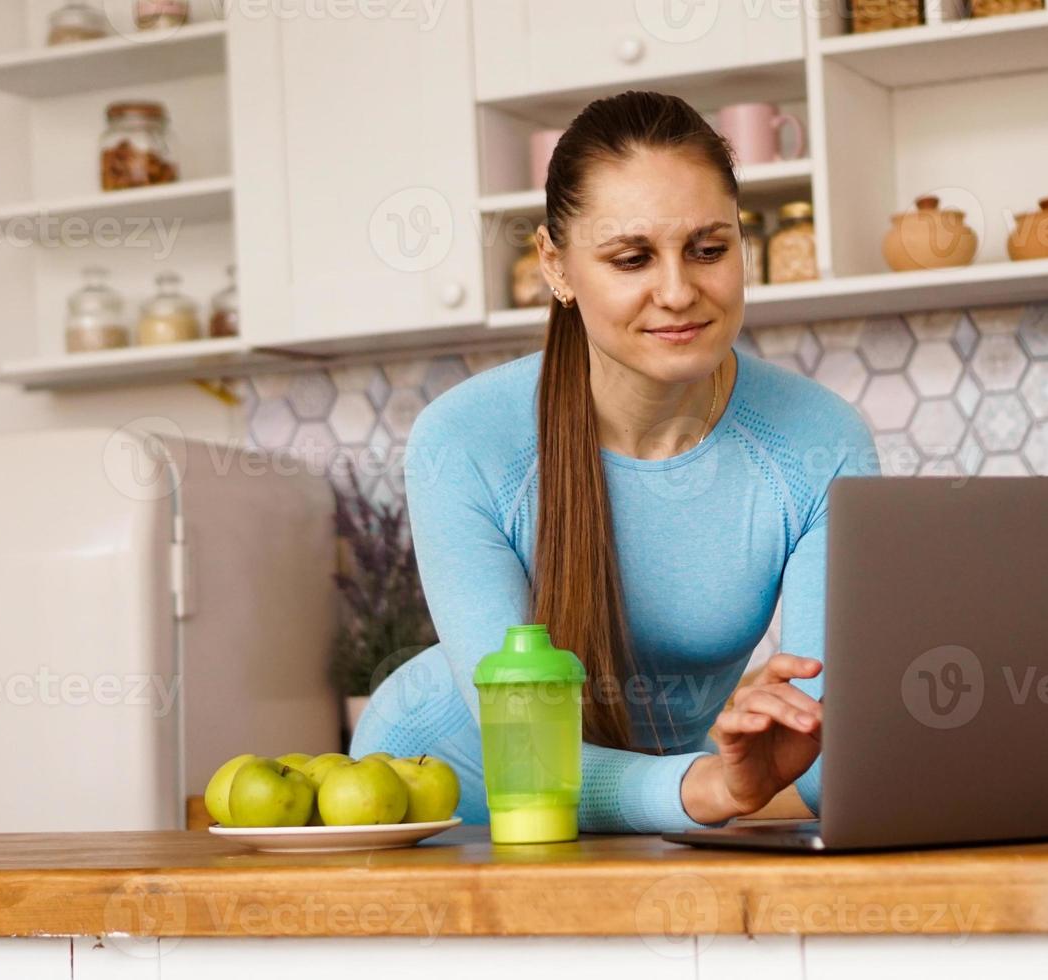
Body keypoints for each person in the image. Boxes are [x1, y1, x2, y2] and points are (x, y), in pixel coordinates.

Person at [350, 89, 879, 832]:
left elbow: (834, 747)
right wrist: (704, 791)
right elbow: (527, 758)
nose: (677, 291)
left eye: (709, 248)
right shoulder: (463, 442)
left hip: (654, 806)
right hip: (437, 798)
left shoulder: (819, 442)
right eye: (632, 258)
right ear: (555, 266)